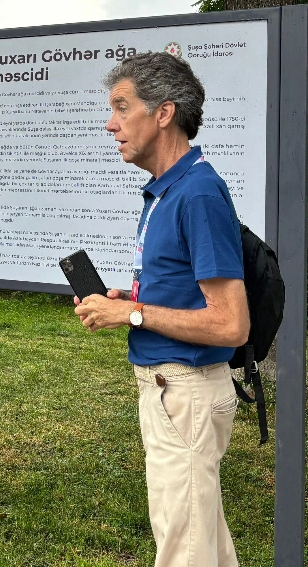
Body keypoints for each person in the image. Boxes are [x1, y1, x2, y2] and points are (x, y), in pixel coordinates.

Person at [74, 52, 249, 567]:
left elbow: (231, 324)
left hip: (186, 394)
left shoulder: (197, 193)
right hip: (172, 392)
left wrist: (132, 316)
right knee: (203, 546)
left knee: (185, 551)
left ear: (164, 113)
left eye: (122, 108)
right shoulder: (166, 191)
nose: (111, 124)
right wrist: (127, 302)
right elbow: (186, 296)